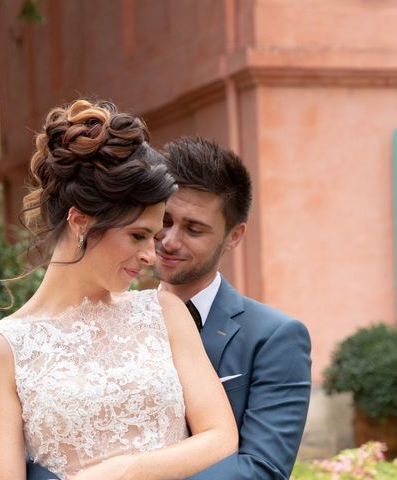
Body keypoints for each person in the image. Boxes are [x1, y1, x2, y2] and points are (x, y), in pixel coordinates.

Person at [0, 100, 238, 480]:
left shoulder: (164, 312)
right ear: (80, 220)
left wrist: (129, 471)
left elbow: (221, 436)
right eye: (138, 236)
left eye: (154, 236)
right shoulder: (0, 350)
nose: (151, 255)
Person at [154, 137, 312, 480]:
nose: (169, 240)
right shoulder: (106, 319)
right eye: (164, 220)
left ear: (234, 236)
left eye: (194, 229)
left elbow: (262, 469)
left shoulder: (275, 337)